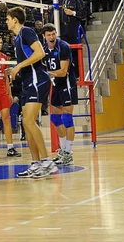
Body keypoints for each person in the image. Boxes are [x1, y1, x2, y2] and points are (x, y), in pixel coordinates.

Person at [6, 7, 57, 178]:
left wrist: (19, 66)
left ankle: (47, 162)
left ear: (14, 19)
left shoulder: (26, 31)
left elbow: (40, 53)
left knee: (29, 120)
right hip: (28, 82)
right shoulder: (17, 38)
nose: (6, 21)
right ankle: (36, 163)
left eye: (8, 18)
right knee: (25, 123)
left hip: (38, 80)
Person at [43, 24, 77, 165]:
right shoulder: (43, 49)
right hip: (55, 85)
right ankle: (62, 150)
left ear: (56, 33)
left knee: (67, 118)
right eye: (49, 35)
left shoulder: (63, 47)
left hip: (67, 84)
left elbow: (63, 72)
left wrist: (46, 74)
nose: (51, 37)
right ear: (44, 36)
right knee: (55, 119)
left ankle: (69, 152)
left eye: (53, 34)